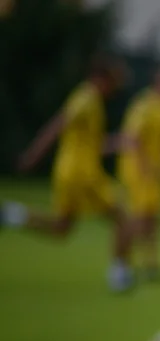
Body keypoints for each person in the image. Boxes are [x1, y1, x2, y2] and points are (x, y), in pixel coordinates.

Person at [4, 55, 135, 292]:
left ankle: (13, 215)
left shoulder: (90, 99)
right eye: (113, 81)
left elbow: (90, 144)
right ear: (101, 78)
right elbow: (57, 125)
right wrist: (32, 155)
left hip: (69, 172)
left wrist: (117, 142)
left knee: (61, 228)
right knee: (124, 217)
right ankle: (119, 275)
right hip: (82, 175)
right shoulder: (86, 98)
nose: (114, 88)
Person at [118, 65, 160, 281]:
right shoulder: (145, 104)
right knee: (139, 217)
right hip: (139, 170)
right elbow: (133, 138)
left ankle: (150, 264)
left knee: (154, 218)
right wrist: (144, 166)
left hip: (155, 171)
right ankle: (121, 263)